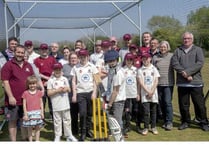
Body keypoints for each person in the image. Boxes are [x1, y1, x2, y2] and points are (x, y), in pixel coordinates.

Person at [171, 31, 209, 131]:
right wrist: (184, 73)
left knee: (199, 104)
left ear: (192, 40)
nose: (186, 40)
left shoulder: (198, 50)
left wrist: (188, 73)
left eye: (188, 38)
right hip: (182, 83)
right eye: (184, 38)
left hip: (196, 82)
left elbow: (200, 63)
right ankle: (185, 121)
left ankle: (203, 122)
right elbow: (175, 63)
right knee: (183, 105)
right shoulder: (178, 51)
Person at [1, 44, 34, 141]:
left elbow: (31, 81)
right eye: (18, 52)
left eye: (22, 53)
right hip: (13, 100)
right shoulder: (8, 65)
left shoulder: (28, 65)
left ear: (24, 54)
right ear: (14, 53)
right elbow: (5, 82)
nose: (20, 54)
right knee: (12, 122)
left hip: (26, 100)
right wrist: (10, 96)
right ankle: (13, 142)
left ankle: (25, 140)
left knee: (25, 121)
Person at [71, 49, 98, 141]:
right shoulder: (75, 67)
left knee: (90, 113)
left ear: (88, 57)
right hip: (80, 93)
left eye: (84, 56)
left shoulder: (93, 66)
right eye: (81, 57)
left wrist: (94, 93)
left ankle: (87, 130)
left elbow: (97, 80)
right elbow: (73, 81)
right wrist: (74, 95)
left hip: (90, 92)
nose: (82, 58)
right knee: (82, 113)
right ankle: (82, 132)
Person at [47, 62, 78, 142]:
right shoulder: (51, 80)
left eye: (59, 69)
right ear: (53, 70)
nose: (57, 71)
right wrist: (57, 90)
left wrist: (65, 89)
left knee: (67, 120)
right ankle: (57, 136)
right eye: (56, 70)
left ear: (61, 70)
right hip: (56, 105)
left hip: (65, 104)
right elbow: (49, 93)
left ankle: (69, 135)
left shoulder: (64, 79)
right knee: (57, 121)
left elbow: (69, 89)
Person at [153, 41, 174, 130]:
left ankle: (169, 122)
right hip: (158, 83)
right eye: (161, 47)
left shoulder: (172, 56)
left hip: (168, 83)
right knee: (161, 102)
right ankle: (165, 120)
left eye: (164, 47)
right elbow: (152, 69)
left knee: (167, 102)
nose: (163, 48)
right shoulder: (155, 57)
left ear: (167, 47)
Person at [104, 49, 126, 139]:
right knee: (112, 120)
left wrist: (109, 104)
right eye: (109, 61)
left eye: (113, 60)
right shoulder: (111, 70)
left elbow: (115, 91)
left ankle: (120, 139)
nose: (111, 63)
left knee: (117, 121)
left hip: (117, 100)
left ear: (117, 60)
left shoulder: (118, 73)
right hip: (111, 99)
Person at [137, 52, 160, 135]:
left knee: (154, 111)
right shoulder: (140, 70)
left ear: (150, 59)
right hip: (144, 94)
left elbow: (156, 81)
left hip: (153, 94)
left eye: (146, 58)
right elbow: (141, 82)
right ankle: (146, 127)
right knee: (146, 112)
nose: (145, 60)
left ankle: (153, 127)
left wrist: (152, 91)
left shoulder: (154, 69)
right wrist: (147, 91)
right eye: (143, 58)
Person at [34, 43, 57, 120]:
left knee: (52, 103)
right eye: (42, 49)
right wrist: (46, 78)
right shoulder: (36, 60)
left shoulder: (52, 59)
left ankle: (54, 118)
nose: (44, 51)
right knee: (41, 103)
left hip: (51, 84)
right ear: (40, 50)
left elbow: (55, 71)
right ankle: (41, 119)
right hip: (41, 84)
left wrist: (49, 80)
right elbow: (37, 73)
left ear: (48, 50)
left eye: (45, 49)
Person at [22, 75, 44, 141]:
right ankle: (30, 141)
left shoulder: (39, 93)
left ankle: (37, 140)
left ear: (36, 84)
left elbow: (41, 103)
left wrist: (42, 112)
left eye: (33, 83)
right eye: (30, 84)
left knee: (38, 128)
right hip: (29, 113)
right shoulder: (25, 93)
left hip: (38, 113)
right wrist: (25, 114)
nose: (32, 85)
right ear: (28, 84)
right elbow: (24, 104)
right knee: (30, 129)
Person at [122, 53, 139, 137]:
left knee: (136, 110)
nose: (129, 61)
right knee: (127, 111)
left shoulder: (136, 70)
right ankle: (127, 126)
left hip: (134, 94)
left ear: (133, 61)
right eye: (128, 60)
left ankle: (137, 126)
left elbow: (138, 83)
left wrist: (138, 93)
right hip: (126, 95)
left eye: (131, 60)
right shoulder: (122, 70)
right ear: (125, 60)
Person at [62, 52, 79, 136]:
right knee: (67, 114)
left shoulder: (80, 66)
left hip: (78, 93)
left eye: (75, 58)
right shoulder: (64, 67)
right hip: (67, 94)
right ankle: (65, 130)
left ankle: (75, 130)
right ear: (69, 59)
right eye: (71, 58)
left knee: (75, 113)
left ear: (78, 59)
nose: (73, 59)